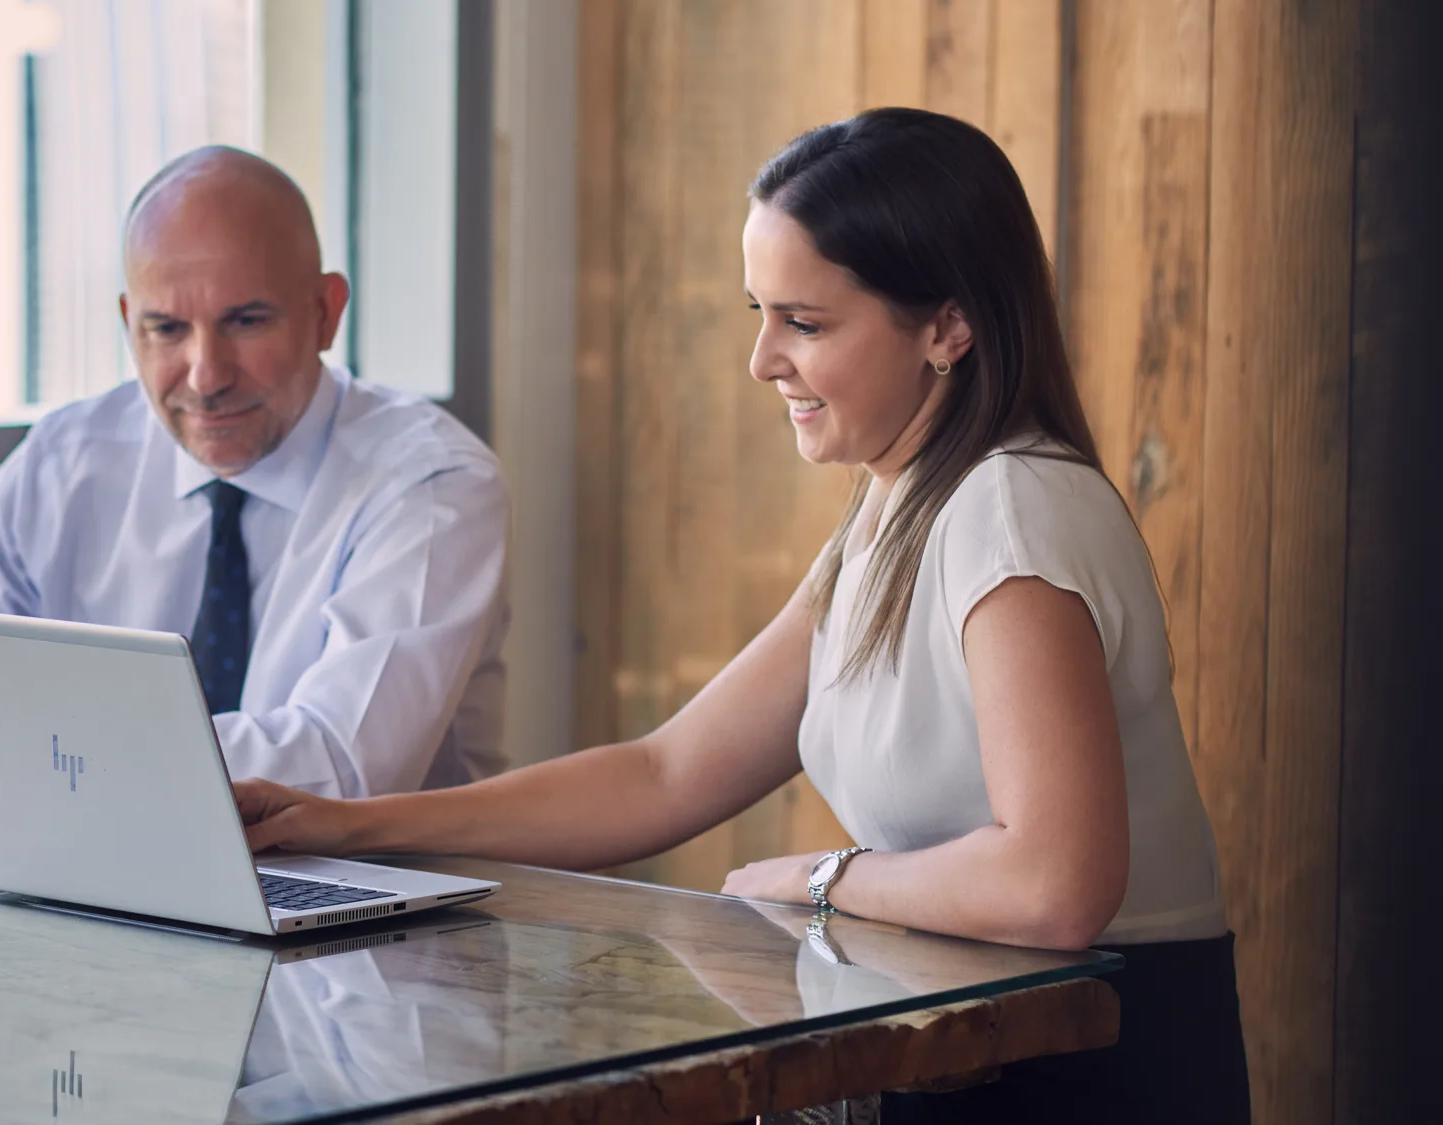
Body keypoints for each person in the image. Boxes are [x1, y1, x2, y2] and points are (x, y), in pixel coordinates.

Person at [231, 108, 1251, 1122]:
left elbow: (1052, 884)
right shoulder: (895, 511)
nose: (761, 360)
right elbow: (663, 774)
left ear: (946, 325)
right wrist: (346, 825)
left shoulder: (1010, 506)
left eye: (802, 322)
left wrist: (816, 877)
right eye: (757, 312)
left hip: (1090, 1065)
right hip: (973, 1047)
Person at [0, 146, 509, 825]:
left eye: (246, 321)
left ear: (325, 312)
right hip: (88, 894)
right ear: (126, 324)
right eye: (167, 329)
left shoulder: (431, 483)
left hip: (377, 921)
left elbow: (337, 768)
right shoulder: (68, 459)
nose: (206, 374)